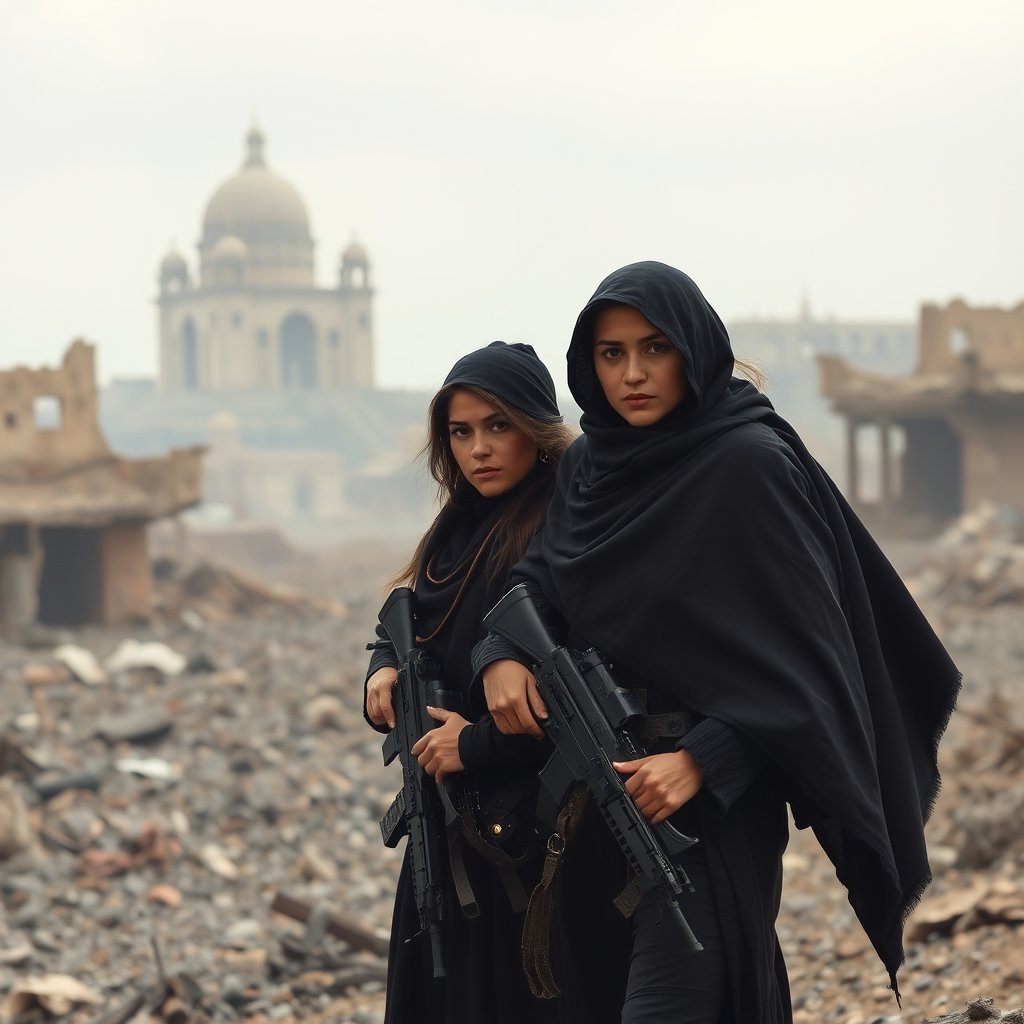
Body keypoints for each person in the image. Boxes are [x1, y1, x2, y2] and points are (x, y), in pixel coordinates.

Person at [475, 263, 961, 1024]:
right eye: (610, 354)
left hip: (705, 816)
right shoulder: (589, 470)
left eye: (654, 348)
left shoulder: (749, 466)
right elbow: (539, 578)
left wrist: (705, 760)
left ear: (696, 350)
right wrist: (498, 654)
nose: (632, 374)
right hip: (589, 804)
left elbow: (812, 660)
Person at [364, 341, 575, 1024]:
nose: (478, 448)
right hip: (443, 817)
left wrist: (478, 745)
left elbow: (583, 695)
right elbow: (407, 622)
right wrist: (381, 670)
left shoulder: (561, 530)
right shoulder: (454, 530)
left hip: (526, 833)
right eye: (461, 431)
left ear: (536, 430)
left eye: (497, 426)